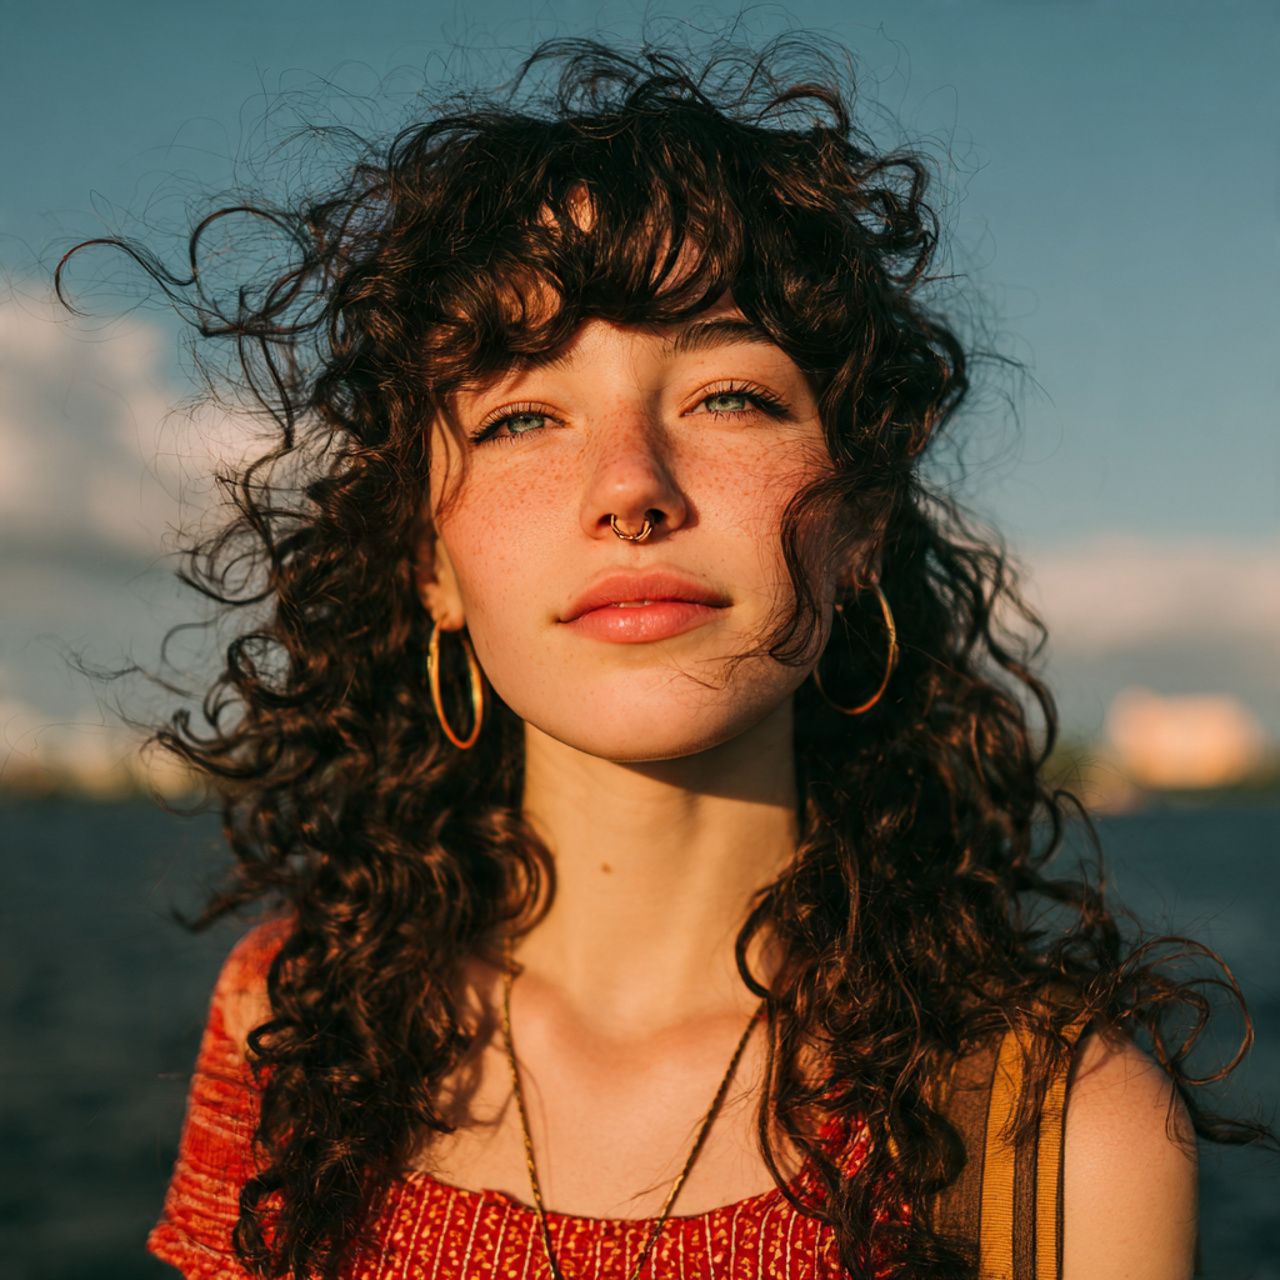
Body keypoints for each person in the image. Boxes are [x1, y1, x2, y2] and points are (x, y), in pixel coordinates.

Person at [64, 37, 1259, 1280]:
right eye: (522, 414)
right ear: (431, 564)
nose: (630, 488)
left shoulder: (1052, 1122)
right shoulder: (297, 1021)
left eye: (729, 396)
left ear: (854, 527)